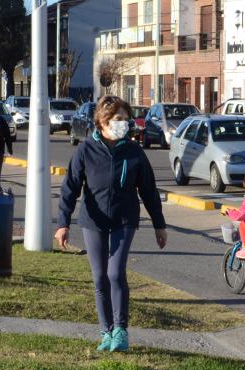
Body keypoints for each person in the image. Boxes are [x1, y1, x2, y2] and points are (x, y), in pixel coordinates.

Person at [55, 95, 167, 353]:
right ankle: (105, 331)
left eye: (126, 120)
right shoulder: (85, 150)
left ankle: (121, 330)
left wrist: (159, 224)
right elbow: (70, 188)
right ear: (103, 121)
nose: (124, 124)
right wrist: (63, 223)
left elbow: (148, 190)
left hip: (124, 219)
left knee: (115, 273)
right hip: (93, 220)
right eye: (119, 119)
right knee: (99, 278)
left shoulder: (134, 151)